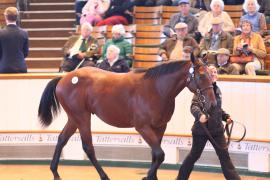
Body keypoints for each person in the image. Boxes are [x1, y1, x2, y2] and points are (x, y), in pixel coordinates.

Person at [177, 65, 241, 180]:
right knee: (194, 156)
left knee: (224, 157)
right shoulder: (200, 90)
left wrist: (226, 117)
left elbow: (217, 109)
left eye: (215, 72)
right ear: (206, 75)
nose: (213, 74)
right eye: (210, 72)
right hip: (201, 130)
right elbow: (194, 106)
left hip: (217, 130)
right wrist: (200, 115)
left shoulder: (217, 89)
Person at [0, 7, 29, 73]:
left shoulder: (0, 33)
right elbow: (26, 53)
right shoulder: (24, 33)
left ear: (5, 17)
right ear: (17, 17)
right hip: (20, 67)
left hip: (4, 67)